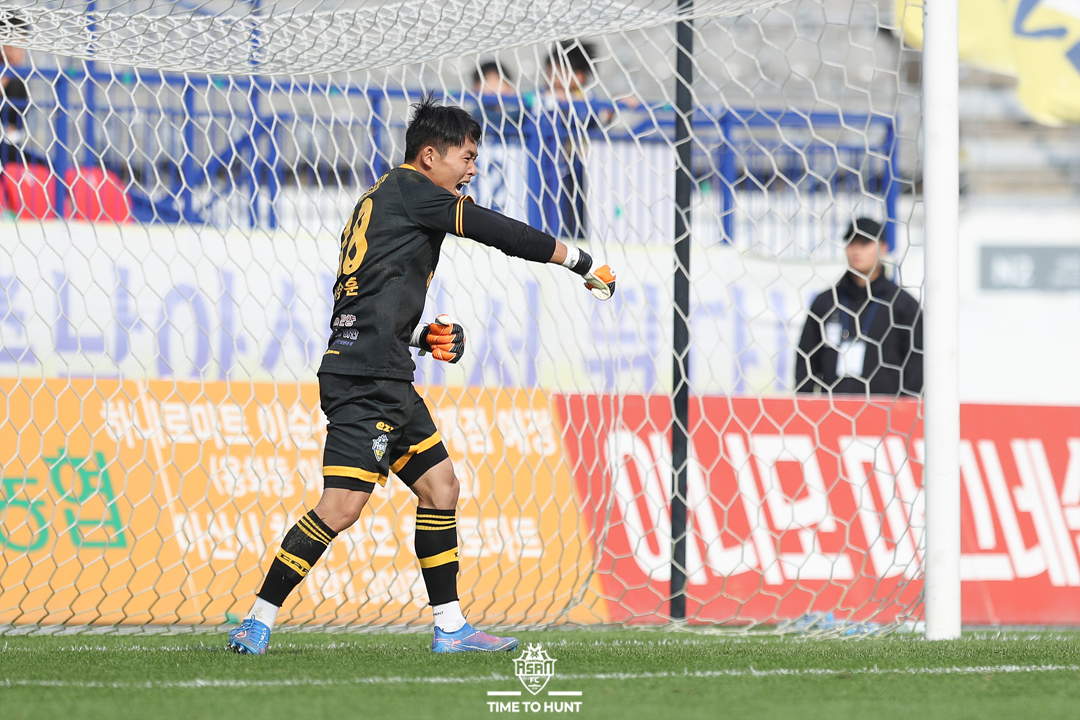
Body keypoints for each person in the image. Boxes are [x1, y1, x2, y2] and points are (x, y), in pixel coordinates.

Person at [227, 96, 616, 656]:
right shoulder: (416, 191)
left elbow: (363, 297)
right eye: (467, 157)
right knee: (341, 506)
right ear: (430, 156)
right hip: (367, 380)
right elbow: (498, 231)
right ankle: (256, 620)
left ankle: (451, 627)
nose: (472, 170)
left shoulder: (382, 196)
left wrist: (419, 336)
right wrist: (580, 262)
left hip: (381, 368)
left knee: (441, 487)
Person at [794, 218, 923, 397]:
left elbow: (917, 364)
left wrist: (905, 407)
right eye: (851, 243)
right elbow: (806, 360)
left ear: (883, 248)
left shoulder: (902, 305)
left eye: (864, 243)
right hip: (832, 408)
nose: (856, 250)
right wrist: (805, 404)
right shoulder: (826, 302)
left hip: (885, 410)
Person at [0, 12, 29, 166]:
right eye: (18, 41)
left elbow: (16, 125)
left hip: (8, 147)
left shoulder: (18, 82)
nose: (20, 49)